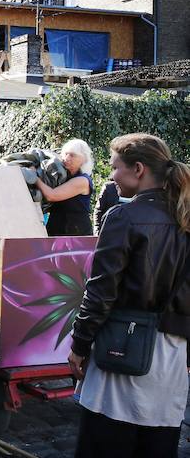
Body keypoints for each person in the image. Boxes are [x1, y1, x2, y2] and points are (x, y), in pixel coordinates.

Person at [68, 133, 190, 458]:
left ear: (138, 169)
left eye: (115, 167)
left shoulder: (123, 217)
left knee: (106, 442)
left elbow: (100, 292)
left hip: (121, 349)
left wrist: (79, 345)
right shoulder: (185, 218)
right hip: (172, 357)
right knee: (157, 445)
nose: (111, 176)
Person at [35, 139, 95, 236]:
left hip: (76, 235)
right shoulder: (61, 177)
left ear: (83, 159)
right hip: (56, 231)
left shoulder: (82, 180)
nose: (67, 158)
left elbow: (51, 195)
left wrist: (35, 178)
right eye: (65, 154)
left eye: (72, 155)